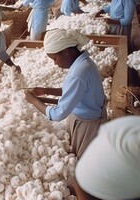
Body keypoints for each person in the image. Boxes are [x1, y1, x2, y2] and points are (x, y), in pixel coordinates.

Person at [25, 29, 106, 157]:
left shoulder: (78, 73)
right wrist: (46, 91)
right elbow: (75, 91)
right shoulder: (84, 64)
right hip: (89, 116)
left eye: (55, 58)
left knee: (83, 161)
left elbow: (58, 114)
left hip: (87, 124)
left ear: (66, 51)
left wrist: (34, 101)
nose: (55, 63)